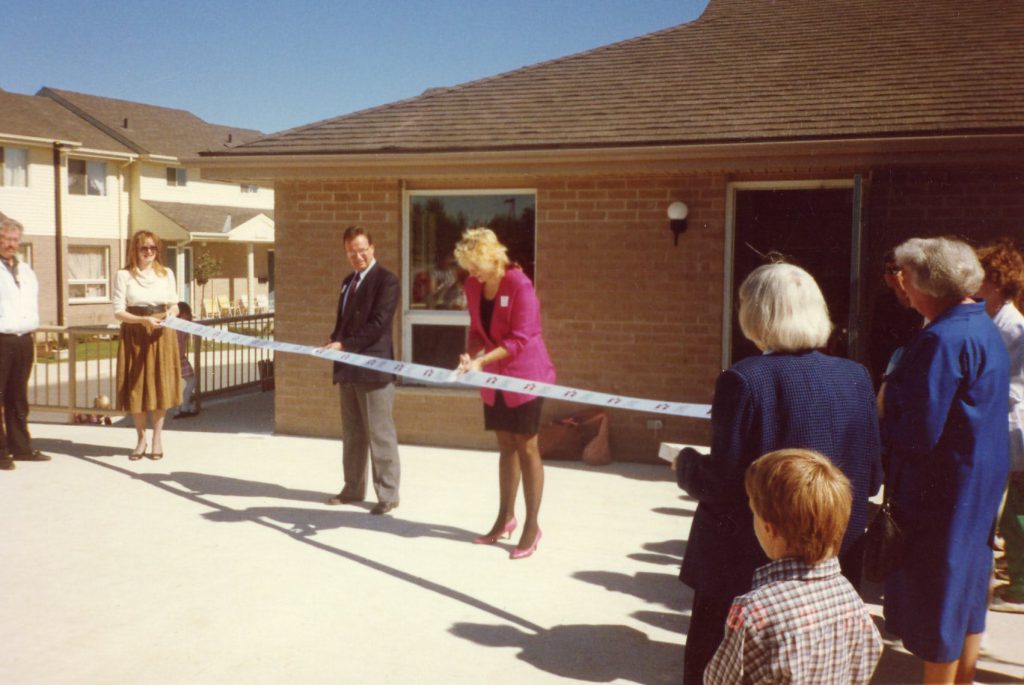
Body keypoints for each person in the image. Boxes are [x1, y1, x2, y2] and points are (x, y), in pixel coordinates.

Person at [673, 262, 882, 685]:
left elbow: (724, 484)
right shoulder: (856, 377)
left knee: (715, 665)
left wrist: (686, 465)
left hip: (749, 564)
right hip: (832, 559)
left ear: (757, 315)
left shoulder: (744, 379)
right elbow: (872, 477)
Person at [883, 237, 1009, 683]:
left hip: (945, 487)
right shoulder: (981, 323)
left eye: (908, 278)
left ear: (927, 285)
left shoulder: (940, 338)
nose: (902, 286)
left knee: (941, 593)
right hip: (979, 478)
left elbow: (919, 432)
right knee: (970, 588)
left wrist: (882, 409)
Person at [705, 448, 883, 685]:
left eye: (754, 513)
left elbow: (719, 681)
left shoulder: (754, 610)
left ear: (770, 529)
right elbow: (868, 656)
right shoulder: (851, 599)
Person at [455, 227, 555, 560]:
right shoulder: (473, 286)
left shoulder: (519, 285)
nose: (472, 273)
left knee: (527, 447)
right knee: (505, 445)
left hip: (526, 375)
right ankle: (505, 517)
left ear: (492, 257)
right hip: (493, 378)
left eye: (475, 265)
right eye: (468, 267)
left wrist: (483, 358)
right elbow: (475, 330)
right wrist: (471, 354)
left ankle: (531, 526)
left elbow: (519, 339)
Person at [322, 226, 401, 516]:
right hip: (348, 369)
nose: (358, 256)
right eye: (351, 252)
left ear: (373, 247)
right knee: (353, 433)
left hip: (374, 369)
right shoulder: (347, 282)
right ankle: (352, 488)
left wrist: (345, 345)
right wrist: (332, 340)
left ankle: (388, 494)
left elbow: (378, 324)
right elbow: (343, 322)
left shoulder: (386, 281)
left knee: (379, 433)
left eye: (362, 249)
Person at [975, 240, 1024, 613]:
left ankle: (1015, 587)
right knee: (1005, 509)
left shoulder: (1013, 326)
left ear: (996, 281)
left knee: (1007, 508)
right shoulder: (990, 318)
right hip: (996, 427)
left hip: (1010, 428)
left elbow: (1013, 388)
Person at [113, 231, 182, 461]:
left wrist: (170, 315)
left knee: (159, 386)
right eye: (144, 248)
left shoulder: (166, 274)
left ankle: (157, 439)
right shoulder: (124, 275)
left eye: (153, 248)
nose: (149, 252)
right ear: (135, 250)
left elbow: (174, 305)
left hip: (161, 333)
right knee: (137, 387)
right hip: (135, 332)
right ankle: (141, 439)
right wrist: (143, 320)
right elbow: (118, 311)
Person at [0, 214, 50, 470]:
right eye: (5, 239)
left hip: (23, 340)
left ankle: (21, 448)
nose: (10, 244)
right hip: (1, 339)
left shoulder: (25, 269)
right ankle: (0, 453)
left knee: (18, 397)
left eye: (14, 240)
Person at [868, 248, 923, 388]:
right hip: (888, 371)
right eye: (886, 270)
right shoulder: (884, 302)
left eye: (894, 270)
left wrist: (904, 289)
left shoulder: (923, 300)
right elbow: (876, 341)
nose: (888, 275)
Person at [172, 301, 198, 419]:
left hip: (176, 358)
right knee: (191, 380)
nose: (189, 316)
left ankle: (180, 408)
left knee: (184, 382)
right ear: (182, 314)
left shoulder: (176, 325)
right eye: (187, 314)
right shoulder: (179, 326)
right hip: (178, 357)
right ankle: (183, 407)